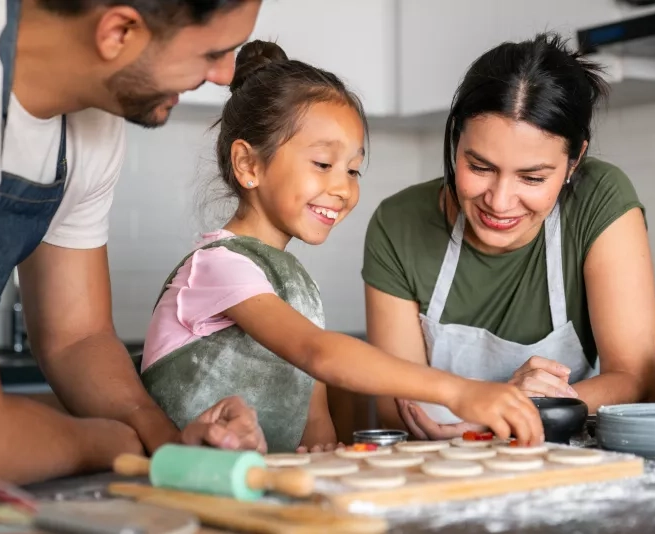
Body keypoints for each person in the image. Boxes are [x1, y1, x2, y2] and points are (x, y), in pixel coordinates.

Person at [140, 40, 545, 453]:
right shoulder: (217, 266)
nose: (343, 188)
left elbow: (314, 413)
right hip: (185, 487)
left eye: (353, 170)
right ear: (249, 165)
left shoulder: (294, 285)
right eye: (323, 164)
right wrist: (460, 392)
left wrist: (323, 455)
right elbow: (319, 354)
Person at [0, 0, 267, 485]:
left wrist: (166, 443)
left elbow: (76, 338)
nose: (227, 75)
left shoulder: (90, 122)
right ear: (119, 31)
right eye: (214, 51)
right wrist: (114, 442)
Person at [362, 34, 655, 441]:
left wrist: (512, 411)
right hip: (443, 470)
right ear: (455, 142)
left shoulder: (600, 200)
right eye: (480, 167)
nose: (500, 202)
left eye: (532, 177)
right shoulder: (398, 223)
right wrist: (503, 402)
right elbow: (397, 409)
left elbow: (635, 380)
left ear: (574, 162)